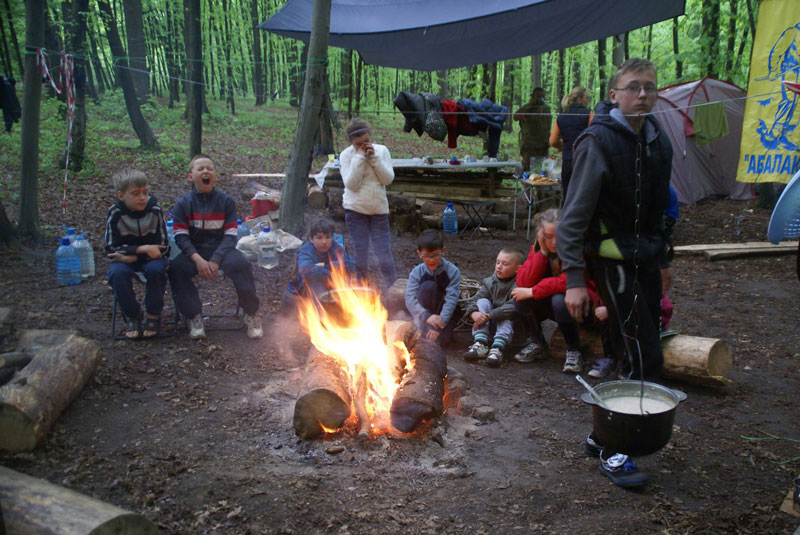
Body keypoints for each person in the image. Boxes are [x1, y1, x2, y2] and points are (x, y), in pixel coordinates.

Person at [558, 58, 673, 488]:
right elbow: (572, 217)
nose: (643, 94)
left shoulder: (657, 139)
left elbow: (660, 207)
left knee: (644, 347)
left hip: (645, 257)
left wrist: (663, 263)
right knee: (638, 354)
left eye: (649, 87)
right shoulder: (598, 141)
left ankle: (600, 436)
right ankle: (614, 449)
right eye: (633, 87)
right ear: (614, 96)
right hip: (612, 259)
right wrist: (573, 279)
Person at [169, 154, 263, 341]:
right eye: (200, 169)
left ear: (215, 175)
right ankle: (193, 316)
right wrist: (197, 259)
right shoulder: (183, 204)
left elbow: (230, 236)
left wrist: (215, 260)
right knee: (176, 268)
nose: (206, 171)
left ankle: (250, 313)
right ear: (191, 176)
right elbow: (180, 237)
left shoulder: (226, 201)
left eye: (209, 169)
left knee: (241, 265)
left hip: (222, 250)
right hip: (194, 251)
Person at [512, 208, 601, 372]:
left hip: (585, 308)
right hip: (556, 306)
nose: (554, 242)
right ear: (541, 234)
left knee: (559, 299)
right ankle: (538, 343)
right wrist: (543, 253)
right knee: (519, 298)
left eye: (558, 237)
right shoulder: (539, 248)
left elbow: (568, 281)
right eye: (548, 237)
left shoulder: (577, 251)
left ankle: (574, 350)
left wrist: (533, 292)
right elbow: (524, 281)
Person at [104, 169, 169, 339]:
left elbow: (162, 246)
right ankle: (133, 315)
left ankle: (153, 315)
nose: (142, 198)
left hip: (149, 259)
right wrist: (141, 250)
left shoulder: (154, 210)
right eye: (136, 194)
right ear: (121, 195)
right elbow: (110, 248)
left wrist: (134, 256)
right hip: (125, 259)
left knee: (156, 270)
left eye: (145, 193)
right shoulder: (115, 213)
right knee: (117, 273)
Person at [339, 117, 396, 292]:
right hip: (355, 210)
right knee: (360, 252)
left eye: (366, 141)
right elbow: (351, 184)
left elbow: (388, 179)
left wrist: (374, 160)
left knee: (383, 251)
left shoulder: (382, 151)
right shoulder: (346, 156)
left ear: (371, 138)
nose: (363, 146)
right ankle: (360, 288)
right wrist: (359, 159)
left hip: (378, 210)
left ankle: (393, 288)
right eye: (358, 144)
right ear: (351, 143)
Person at [463, 248, 524, 367]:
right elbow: (473, 300)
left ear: (518, 269)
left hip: (513, 331)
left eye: (505, 264)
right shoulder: (490, 282)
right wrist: (474, 313)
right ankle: (481, 343)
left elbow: (513, 306)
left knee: (506, 311)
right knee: (482, 301)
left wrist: (490, 315)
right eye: (497, 262)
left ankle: (498, 349)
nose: (499, 267)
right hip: (492, 326)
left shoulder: (520, 284)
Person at [405, 229, 461, 346]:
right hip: (425, 314)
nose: (431, 260)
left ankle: (434, 330)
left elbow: (451, 300)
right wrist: (426, 317)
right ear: (419, 254)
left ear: (443, 251)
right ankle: (423, 329)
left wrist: (440, 323)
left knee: (441, 341)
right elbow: (409, 298)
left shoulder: (453, 271)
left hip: (444, 315)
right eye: (426, 256)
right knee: (427, 287)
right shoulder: (416, 272)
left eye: (435, 255)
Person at [285, 218, 359, 302]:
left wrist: (325, 265)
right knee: (316, 280)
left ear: (332, 237)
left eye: (327, 237)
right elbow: (307, 271)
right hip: (304, 287)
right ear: (311, 239)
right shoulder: (305, 251)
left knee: (349, 281)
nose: (324, 242)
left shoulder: (335, 247)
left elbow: (349, 264)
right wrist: (332, 272)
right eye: (319, 238)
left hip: (331, 284)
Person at [549, 86, 593, 198]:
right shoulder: (589, 114)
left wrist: (563, 146)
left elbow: (553, 141)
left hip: (568, 160)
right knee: (584, 196)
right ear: (579, 99)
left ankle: (565, 215)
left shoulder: (561, 117)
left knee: (568, 195)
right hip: (585, 159)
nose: (588, 101)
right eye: (587, 98)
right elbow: (595, 136)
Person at [514, 88, 552, 172]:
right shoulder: (527, 108)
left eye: (542, 96)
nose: (540, 98)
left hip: (543, 147)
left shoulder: (546, 109)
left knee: (543, 172)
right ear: (533, 96)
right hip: (529, 147)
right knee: (527, 172)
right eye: (538, 96)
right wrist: (531, 104)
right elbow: (515, 116)